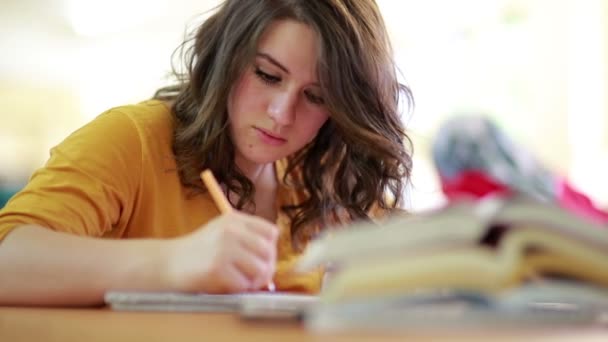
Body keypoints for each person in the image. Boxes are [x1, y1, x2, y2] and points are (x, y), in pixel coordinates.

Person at [0, 0, 413, 306]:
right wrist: (174, 262)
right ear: (225, 59)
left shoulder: (322, 177)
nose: (281, 113)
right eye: (267, 75)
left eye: (316, 96)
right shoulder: (134, 139)